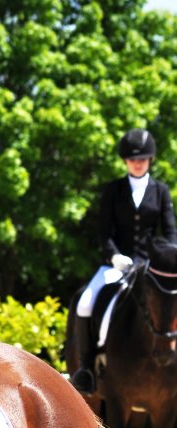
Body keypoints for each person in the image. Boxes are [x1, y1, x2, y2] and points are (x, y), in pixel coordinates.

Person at [72, 127, 177, 394]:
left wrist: (165, 259)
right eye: (133, 159)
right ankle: (86, 367)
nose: (138, 162)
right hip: (116, 264)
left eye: (143, 158)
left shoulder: (161, 191)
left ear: (150, 159)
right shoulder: (113, 190)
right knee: (85, 302)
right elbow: (104, 232)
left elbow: (170, 232)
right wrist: (115, 256)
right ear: (126, 161)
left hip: (151, 269)